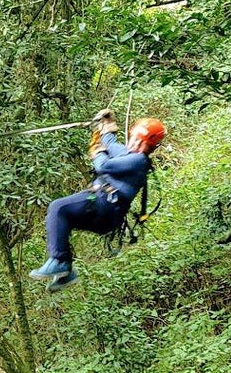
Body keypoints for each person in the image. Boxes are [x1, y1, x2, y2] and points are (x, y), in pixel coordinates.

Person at [29, 111, 165, 290]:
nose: (135, 143)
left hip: (104, 206)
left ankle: (60, 261)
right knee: (62, 218)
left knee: (59, 207)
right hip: (104, 211)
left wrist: (97, 152)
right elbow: (110, 142)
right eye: (134, 138)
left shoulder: (139, 161)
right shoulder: (126, 153)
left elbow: (103, 166)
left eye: (141, 142)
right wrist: (106, 124)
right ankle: (67, 271)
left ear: (149, 146)